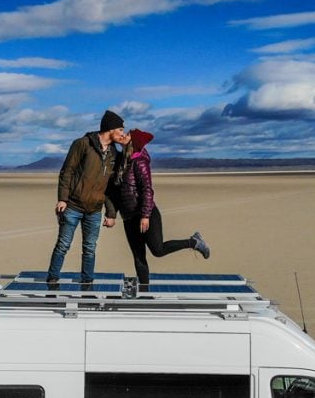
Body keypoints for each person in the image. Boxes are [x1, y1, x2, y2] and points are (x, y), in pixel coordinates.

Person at [106, 128, 210, 288]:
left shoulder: (139, 161)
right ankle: (144, 292)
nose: (124, 135)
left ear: (133, 142)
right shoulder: (124, 160)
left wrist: (145, 215)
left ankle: (194, 242)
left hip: (145, 215)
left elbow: (147, 189)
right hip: (129, 217)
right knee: (138, 256)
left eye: (127, 135)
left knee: (158, 250)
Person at [46, 109, 127, 286]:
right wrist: (63, 199)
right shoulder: (83, 144)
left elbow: (112, 188)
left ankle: (87, 282)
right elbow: (67, 171)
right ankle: (52, 280)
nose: (122, 133)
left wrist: (111, 213)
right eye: (120, 129)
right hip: (73, 206)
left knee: (90, 248)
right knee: (63, 244)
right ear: (111, 128)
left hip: (95, 210)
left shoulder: (115, 154)